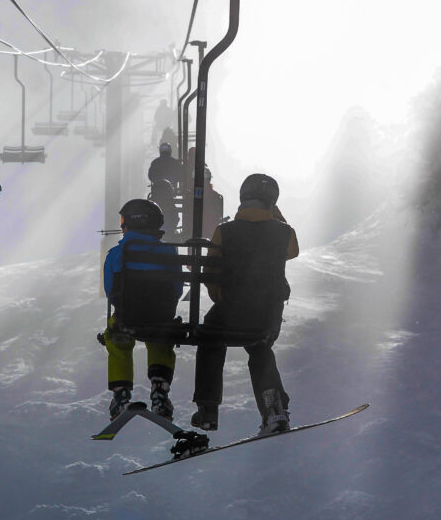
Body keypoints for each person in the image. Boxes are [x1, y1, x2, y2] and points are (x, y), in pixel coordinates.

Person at [191, 173, 299, 436]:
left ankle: (208, 410)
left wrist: (221, 299)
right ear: (272, 202)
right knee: (259, 347)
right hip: (266, 317)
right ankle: (273, 409)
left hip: (231, 312)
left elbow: (211, 273)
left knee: (210, 337)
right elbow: (292, 251)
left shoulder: (225, 232)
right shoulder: (284, 233)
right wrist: (275, 216)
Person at [102, 199, 183, 419]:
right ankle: (159, 390)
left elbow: (110, 289)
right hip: (161, 317)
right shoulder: (169, 252)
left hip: (128, 317)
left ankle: (121, 393)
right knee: (160, 338)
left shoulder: (117, 253)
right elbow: (177, 288)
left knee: (116, 337)